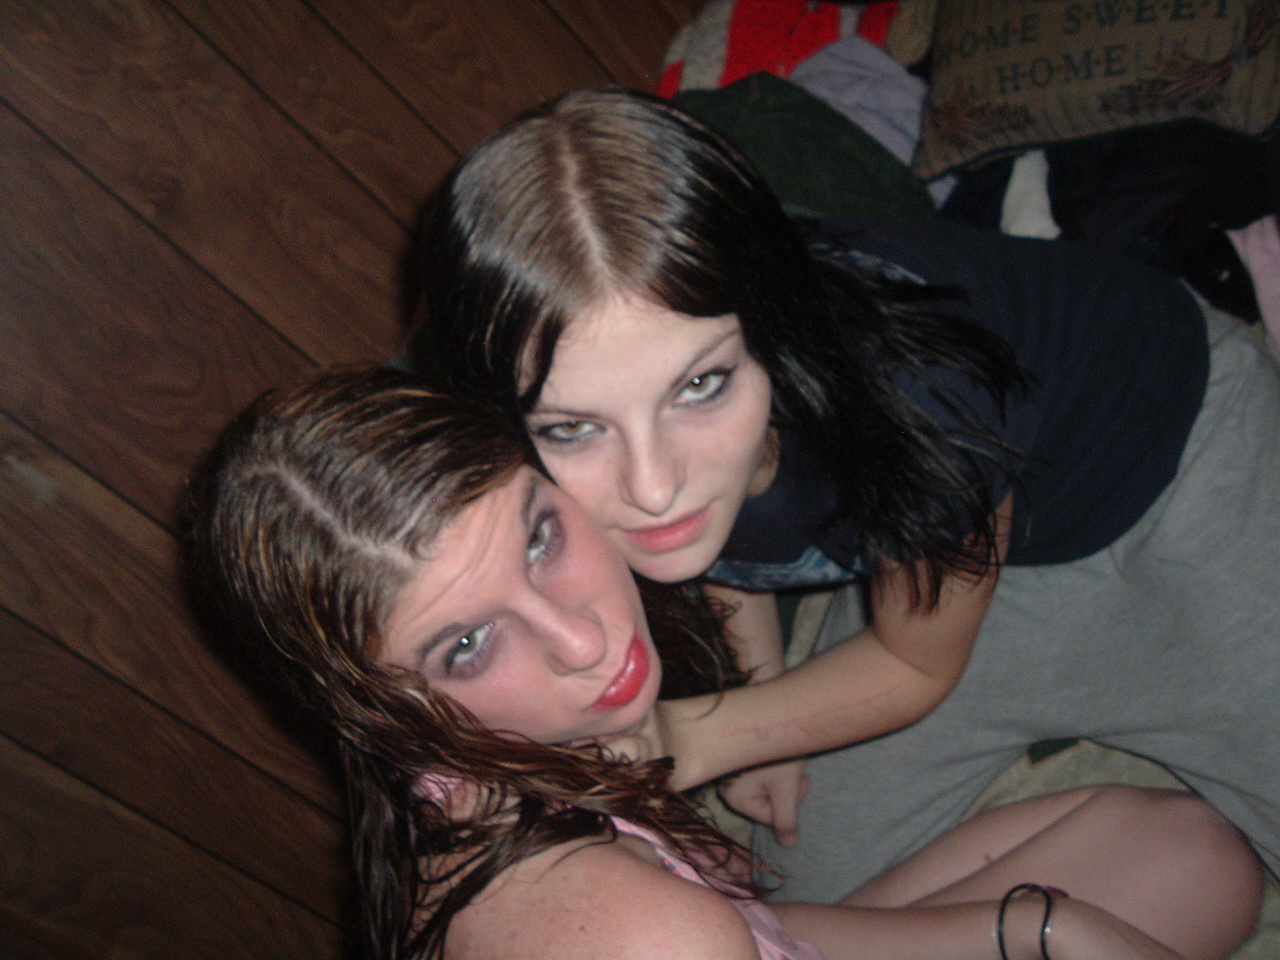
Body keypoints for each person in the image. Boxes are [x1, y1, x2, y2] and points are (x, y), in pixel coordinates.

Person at [405, 88, 1280, 901]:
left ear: (773, 332)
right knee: (795, 880)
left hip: (1178, 459)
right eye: (574, 428)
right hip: (968, 569)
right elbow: (729, 548)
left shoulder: (917, 391)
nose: (654, 485)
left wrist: (697, 735)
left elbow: (914, 665)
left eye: (700, 387)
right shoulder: (585, 462)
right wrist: (759, 691)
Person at [190, 366, 1261, 960]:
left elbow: (753, 929)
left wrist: (1024, 925)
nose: (583, 640)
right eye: (466, 645)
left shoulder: (458, 770)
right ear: (372, 703)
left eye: (538, 536)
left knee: (1201, 858)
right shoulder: (637, 937)